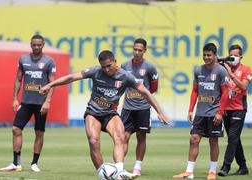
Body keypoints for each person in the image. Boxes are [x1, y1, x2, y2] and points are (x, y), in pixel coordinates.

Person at [39, 50, 170, 179]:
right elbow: (71, 77)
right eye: (103, 67)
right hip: (93, 113)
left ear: (115, 62)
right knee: (93, 141)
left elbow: (146, 92)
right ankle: (103, 175)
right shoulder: (95, 71)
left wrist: (160, 112)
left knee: (120, 137)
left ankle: (118, 171)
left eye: (109, 66)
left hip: (110, 114)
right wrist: (49, 85)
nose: (107, 70)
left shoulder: (126, 76)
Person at [0, 35, 56, 172]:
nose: (36, 47)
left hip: (41, 103)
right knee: (16, 129)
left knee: (39, 133)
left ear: (43, 45)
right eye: (34, 45)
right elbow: (18, 79)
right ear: (31, 45)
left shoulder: (49, 61)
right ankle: (16, 163)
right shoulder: (23, 59)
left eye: (39, 45)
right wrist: (14, 98)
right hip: (26, 102)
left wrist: (47, 102)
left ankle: (34, 164)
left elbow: (52, 83)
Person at [173, 43, 229, 180]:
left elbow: (226, 93)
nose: (206, 57)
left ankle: (212, 171)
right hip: (200, 113)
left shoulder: (221, 71)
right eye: (204, 55)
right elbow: (194, 91)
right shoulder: (198, 70)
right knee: (194, 139)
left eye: (209, 55)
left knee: (213, 141)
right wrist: (190, 110)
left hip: (214, 113)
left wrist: (220, 112)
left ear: (215, 56)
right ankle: (189, 172)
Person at [120, 38, 159, 176]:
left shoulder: (149, 67)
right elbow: (120, 85)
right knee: (123, 137)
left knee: (141, 136)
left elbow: (153, 87)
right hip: (127, 108)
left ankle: (137, 166)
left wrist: (143, 97)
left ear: (144, 51)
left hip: (143, 108)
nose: (136, 52)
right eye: (135, 49)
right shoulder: (124, 65)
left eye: (140, 50)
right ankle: (120, 166)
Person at [218, 45, 252, 177]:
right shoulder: (223, 69)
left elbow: (243, 86)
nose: (233, 59)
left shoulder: (246, 69)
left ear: (241, 57)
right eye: (231, 56)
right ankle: (243, 167)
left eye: (235, 56)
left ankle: (225, 167)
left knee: (232, 138)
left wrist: (230, 73)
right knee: (235, 139)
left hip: (239, 108)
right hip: (226, 108)